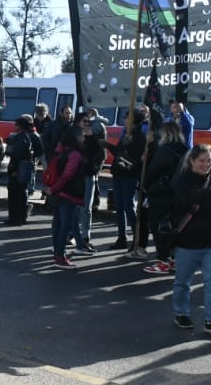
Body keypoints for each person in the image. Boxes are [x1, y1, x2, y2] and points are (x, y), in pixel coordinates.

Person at [170, 144, 211, 337]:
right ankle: (181, 313)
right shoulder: (183, 181)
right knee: (183, 282)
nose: (206, 164)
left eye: (209, 160)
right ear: (191, 161)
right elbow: (191, 198)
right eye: (201, 161)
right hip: (188, 242)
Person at [141, 122, 189, 274]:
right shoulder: (186, 150)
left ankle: (163, 261)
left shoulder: (164, 151)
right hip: (179, 194)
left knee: (158, 227)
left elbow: (152, 172)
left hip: (161, 193)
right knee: (174, 228)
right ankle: (174, 260)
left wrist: (145, 185)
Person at [47, 126, 87, 268]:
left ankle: (57, 253)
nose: (84, 137)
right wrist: (55, 188)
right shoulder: (75, 154)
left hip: (59, 193)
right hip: (68, 193)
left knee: (58, 224)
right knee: (65, 226)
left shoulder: (61, 151)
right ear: (75, 137)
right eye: (81, 135)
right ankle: (60, 255)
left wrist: (53, 189)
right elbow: (68, 175)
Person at [105, 109, 145, 249]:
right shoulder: (126, 134)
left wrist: (123, 148)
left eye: (127, 117)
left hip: (129, 175)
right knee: (119, 207)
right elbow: (119, 153)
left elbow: (134, 160)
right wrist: (109, 146)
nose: (124, 119)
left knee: (128, 206)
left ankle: (136, 238)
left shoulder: (139, 136)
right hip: (119, 174)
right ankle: (121, 237)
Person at [75, 112, 106, 253]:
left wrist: (94, 167)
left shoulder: (93, 139)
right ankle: (73, 234)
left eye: (89, 122)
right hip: (76, 176)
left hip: (88, 175)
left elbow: (101, 155)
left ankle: (85, 237)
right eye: (84, 122)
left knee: (86, 208)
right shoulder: (74, 137)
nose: (87, 124)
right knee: (75, 206)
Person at [4, 115, 40, 225]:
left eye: (16, 125)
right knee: (21, 194)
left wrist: (12, 169)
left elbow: (16, 155)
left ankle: (15, 218)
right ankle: (21, 217)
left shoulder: (21, 138)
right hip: (23, 170)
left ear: (20, 126)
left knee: (15, 195)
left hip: (18, 169)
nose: (15, 126)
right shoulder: (26, 137)